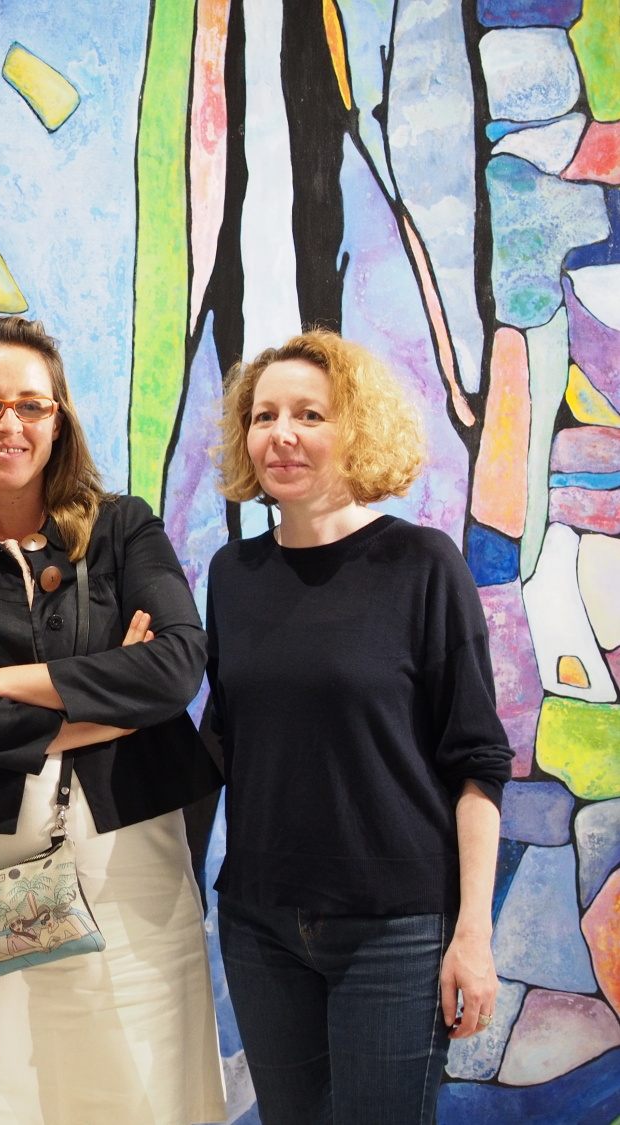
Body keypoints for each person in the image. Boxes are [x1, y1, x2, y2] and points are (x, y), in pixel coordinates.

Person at [0, 315, 226, 1123]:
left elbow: (176, 664)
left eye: (32, 405)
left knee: (138, 1094)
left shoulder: (124, 527)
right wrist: (99, 715)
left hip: (131, 878)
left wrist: (10, 682)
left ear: (58, 419)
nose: (11, 423)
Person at [206, 329, 513, 1124]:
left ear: (357, 429)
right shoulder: (233, 574)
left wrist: (473, 934)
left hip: (396, 928)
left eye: (310, 414)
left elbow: (478, 759)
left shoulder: (422, 564)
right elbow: (225, 742)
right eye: (265, 415)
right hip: (260, 922)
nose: (282, 434)